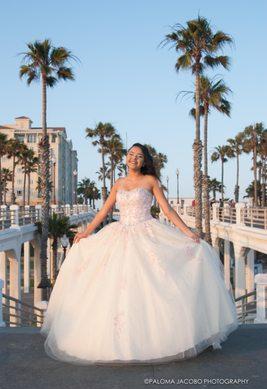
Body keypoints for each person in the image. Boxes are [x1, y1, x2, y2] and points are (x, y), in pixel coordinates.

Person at [40, 143, 238, 365]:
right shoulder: (119, 184)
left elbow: (167, 210)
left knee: (156, 283)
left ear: (145, 161)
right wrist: (86, 232)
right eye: (131, 154)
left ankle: (158, 339)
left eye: (139, 156)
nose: (134, 158)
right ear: (126, 158)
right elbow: (104, 211)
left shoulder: (150, 181)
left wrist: (187, 231)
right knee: (114, 288)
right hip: (119, 234)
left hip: (147, 233)